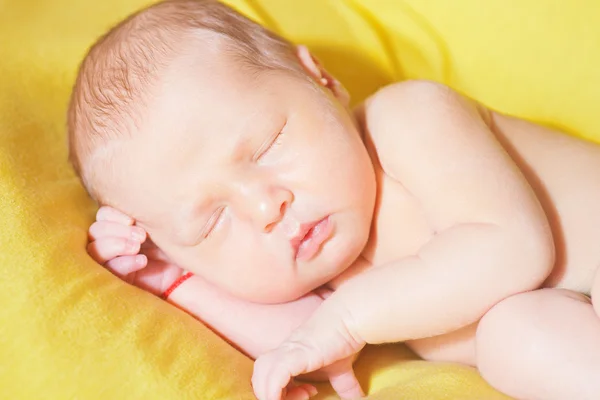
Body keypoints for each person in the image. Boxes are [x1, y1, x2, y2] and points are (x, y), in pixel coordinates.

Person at [68, 1, 600, 399]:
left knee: (514, 335)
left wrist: (344, 322)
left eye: (267, 145)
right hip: (563, 322)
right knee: (518, 340)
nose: (264, 207)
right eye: (211, 224)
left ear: (320, 78)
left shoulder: (406, 121)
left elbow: (512, 249)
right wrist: (168, 277)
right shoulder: (326, 272)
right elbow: (307, 347)